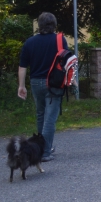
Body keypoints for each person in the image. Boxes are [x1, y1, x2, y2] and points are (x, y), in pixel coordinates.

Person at [17, 12, 68, 162]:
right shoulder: (60, 40)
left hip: (36, 83)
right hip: (54, 83)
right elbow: (67, 62)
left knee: (41, 114)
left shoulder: (30, 42)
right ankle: (45, 152)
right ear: (54, 25)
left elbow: (22, 66)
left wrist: (21, 86)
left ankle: (39, 149)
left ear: (39, 25)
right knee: (50, 118)